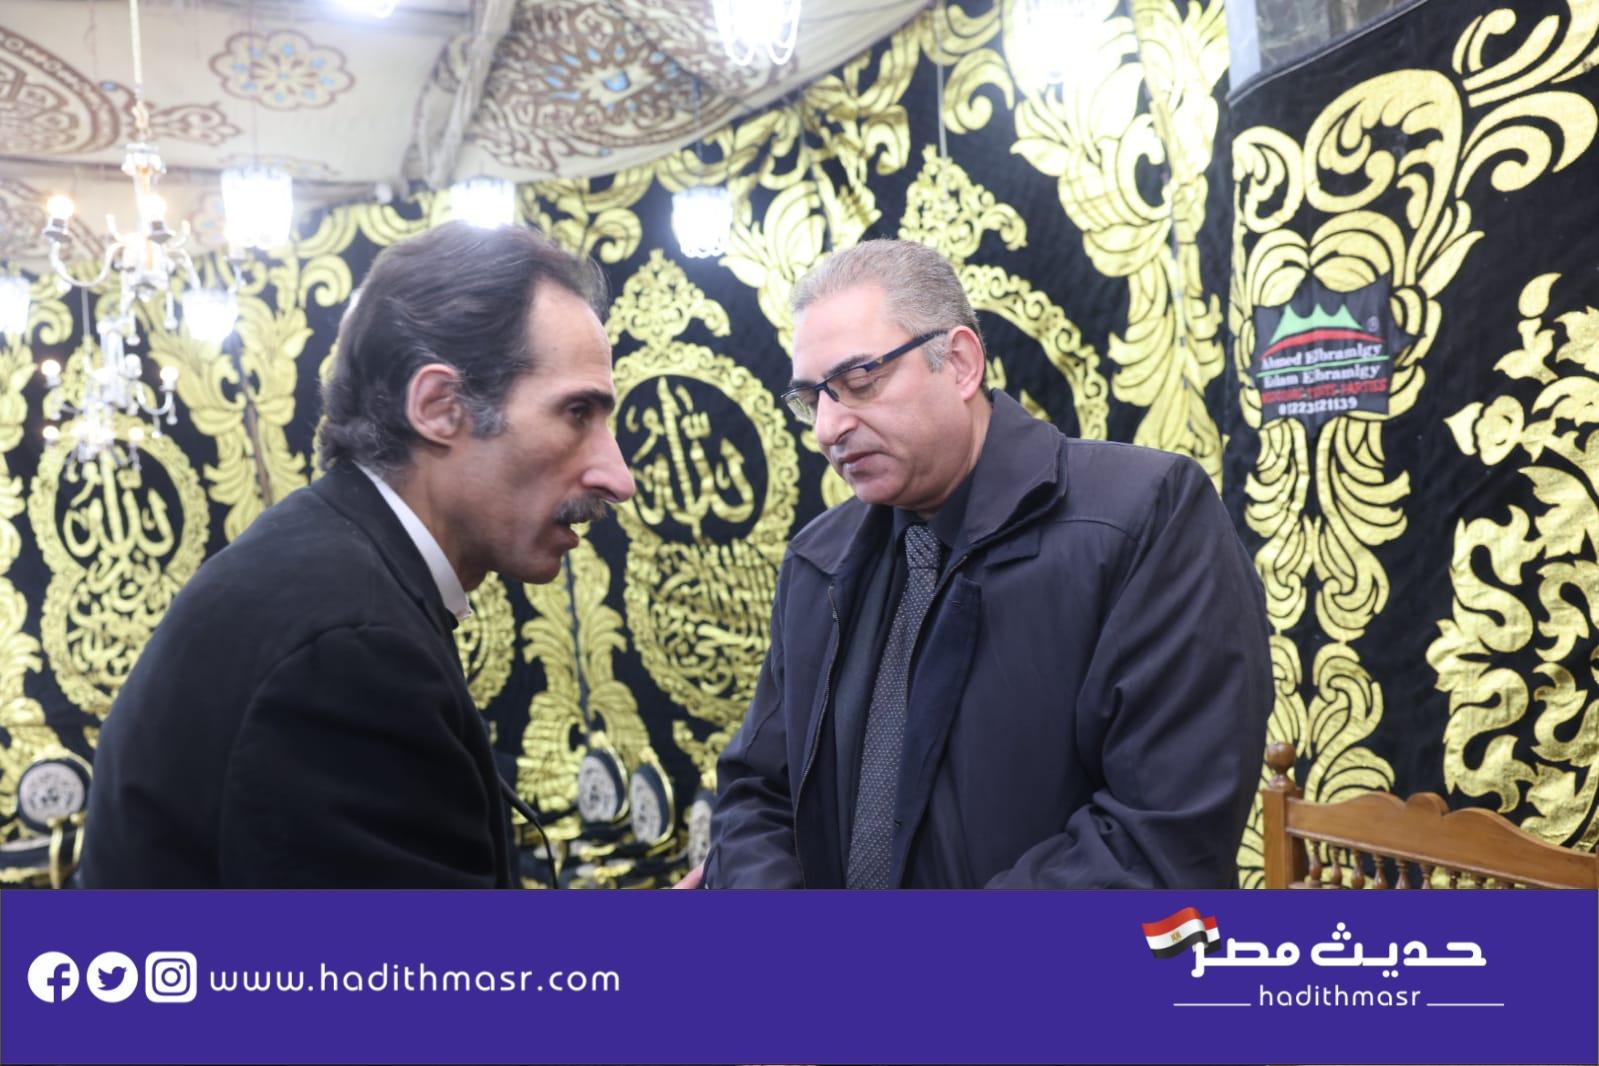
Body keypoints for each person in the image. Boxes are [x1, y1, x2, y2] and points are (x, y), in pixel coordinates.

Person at [77, 222, 635, 887]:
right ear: (439, 406)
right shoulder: (351, 647)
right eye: (576, 413)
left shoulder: (332, 571)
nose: (617, 477)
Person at [704, 239, 1271, 889]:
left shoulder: (1144, 518)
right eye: (812, 398)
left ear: (960, 363)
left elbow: (1159, 839)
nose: (828, 428)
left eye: (859, 382)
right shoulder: (818, 561)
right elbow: (756, 796)